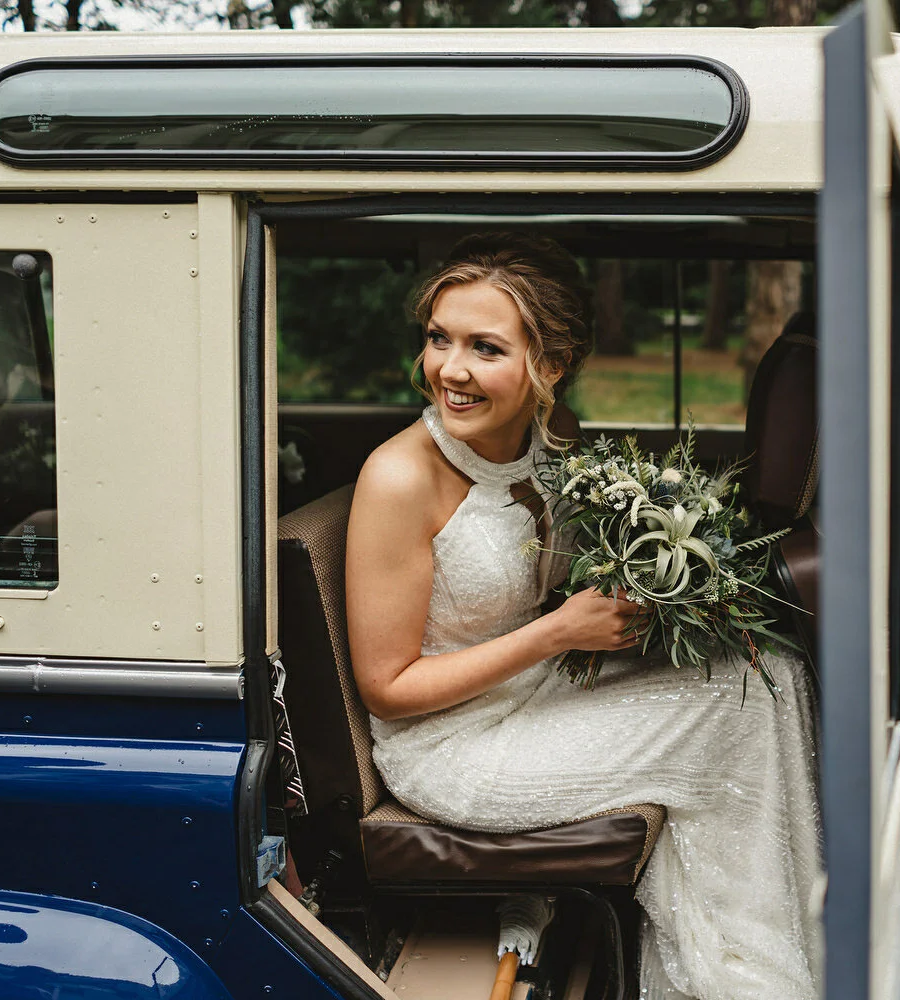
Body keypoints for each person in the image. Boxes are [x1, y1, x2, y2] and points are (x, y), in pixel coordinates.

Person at [344, 232, 822, 1000]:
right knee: (739, 712)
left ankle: (775, 940)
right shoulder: (399, 478)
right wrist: (559, 633)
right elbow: (387, 688)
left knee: (769, 673)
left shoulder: (553, 439)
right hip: (452, 748)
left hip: (536, 690)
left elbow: (569, 572)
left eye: (484, 348)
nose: (450, 370)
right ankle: (744, 978)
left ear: (551, 367)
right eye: (439, 339)